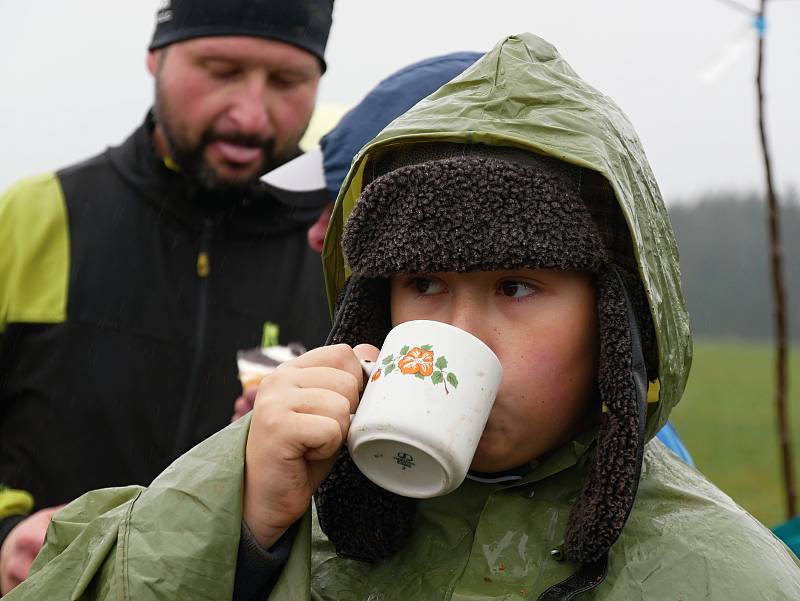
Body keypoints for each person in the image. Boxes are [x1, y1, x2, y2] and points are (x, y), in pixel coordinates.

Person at [10, 32, 800, 601]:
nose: (460, 332)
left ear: (613, 314)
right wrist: (241, 522)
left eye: (516, 286)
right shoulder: (298, 507)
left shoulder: (725, 575)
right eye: (422, 281)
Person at [0, 0, 334, 594]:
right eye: (220, 70)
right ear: (155, 57)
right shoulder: (33, 216)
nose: (251, 115)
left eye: (287, 81)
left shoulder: (334, 248)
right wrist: (6, 532)